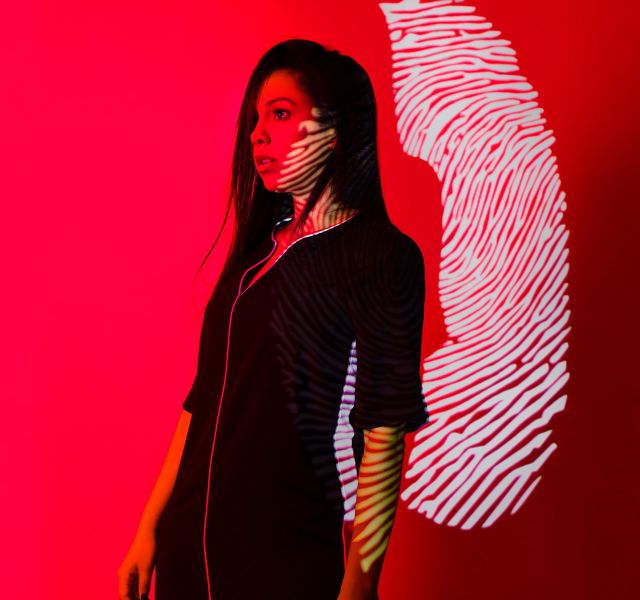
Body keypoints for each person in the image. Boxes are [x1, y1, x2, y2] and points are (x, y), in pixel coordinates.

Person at [117, 38, 428, 600]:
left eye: (280, 114)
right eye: (257, 118)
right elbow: (202, 400)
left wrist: (360, 584)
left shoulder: (381, 255)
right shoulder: (254, 255)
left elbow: (384, 430)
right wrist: (149, 528)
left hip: (285, 557)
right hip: (189, 554)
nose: (257, 133)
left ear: (334, 129)